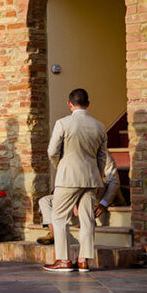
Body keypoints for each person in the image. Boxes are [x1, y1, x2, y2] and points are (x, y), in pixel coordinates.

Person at [43, 88, 108, 273]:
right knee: (87, 219)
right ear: (88, 103)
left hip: (68, 177)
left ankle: (64, 260)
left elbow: (52, 152)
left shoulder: (63, 123)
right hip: (91, 178)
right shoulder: (99, 126)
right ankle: (83, 260)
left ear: (69, 104)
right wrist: (98, 176)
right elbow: (102, 157)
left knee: (59, 217)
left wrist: (60, 166)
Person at [37, 155, 119, 245]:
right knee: (44, 201)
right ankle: (54, 233)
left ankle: (87, 219)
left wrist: (103, 203)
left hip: (96, 190)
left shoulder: (103, 153)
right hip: (71, 192)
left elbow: (114, 181)